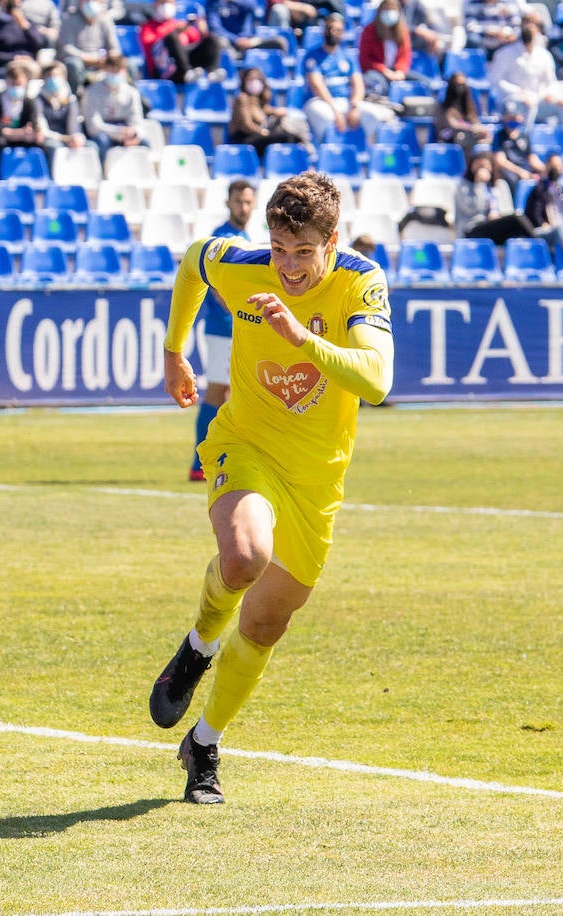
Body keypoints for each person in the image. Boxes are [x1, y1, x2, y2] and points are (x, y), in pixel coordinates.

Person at [152, 170, 394, 804]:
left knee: (264, 624)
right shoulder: (239, 263)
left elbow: (376, 381)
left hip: (318, 479)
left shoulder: (361, 281)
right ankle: (198, 643)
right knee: (245, 555)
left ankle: (203, 742)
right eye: (280, 249)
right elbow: (192, 262)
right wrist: (176, 350)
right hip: (246, 445)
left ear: (332, 241)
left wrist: (303, 338)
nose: (287, 266)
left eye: (304, 252)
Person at [187, 178, 254, 482]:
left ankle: (217, 457)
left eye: (248, 202)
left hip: (235, 328)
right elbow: (218, 288)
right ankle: (199, 462)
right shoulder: (222, 238)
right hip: (222, 328)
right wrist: (241, 312)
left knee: (228, 393)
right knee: (217, 392)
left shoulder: (245, 235)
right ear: (228, 203)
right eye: (239, 201)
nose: (244, 207)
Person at [301, 13, 393, 145]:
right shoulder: (313, 56)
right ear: (324, 30)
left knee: (374, 116)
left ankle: (369, 154)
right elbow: (317, 86)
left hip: (346, 101)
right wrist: (335, 111)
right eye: (330, 29)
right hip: (321, 102)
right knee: (326, 117)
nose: (333, 33)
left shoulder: (347, 56)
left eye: (338, 30)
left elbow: (358, 84)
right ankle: (327, 155)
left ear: (343, 33)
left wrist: (354, 106)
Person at [488, 17, 563, 127]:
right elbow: (496, 80)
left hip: (537, 100)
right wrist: (519, 92)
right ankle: (526, 140)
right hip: (512, 101)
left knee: (562, 107)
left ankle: (562, 142)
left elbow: (551, 82)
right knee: (528, 106)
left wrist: (549, 94)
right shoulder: (505, 53)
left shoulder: (544, 55)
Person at [0, 57, 45, 166]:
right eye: (13, 84)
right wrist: (19, 134)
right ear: (6, 82)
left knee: (40, 147)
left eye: (19, 85)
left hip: (21, 140)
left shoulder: (29, 103)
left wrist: (35, 133)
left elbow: (33, 124)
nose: (16, 88)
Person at [228, 66, 310, 157]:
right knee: (288, 138)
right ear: (244, 82)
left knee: (292, 135)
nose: (254, 82)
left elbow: (268, 110)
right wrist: (262, 132)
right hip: (245, 141)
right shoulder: (242, 98)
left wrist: (278, 112)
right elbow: (246, 125)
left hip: (257, 137)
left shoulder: (258, 101)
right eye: (250, 79)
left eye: (257, 79)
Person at [83, 51, 149, 160]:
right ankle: (103, 173)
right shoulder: (92, 92)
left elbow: (137, 120)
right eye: (111, 70)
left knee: (144, 143)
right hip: (105, 132)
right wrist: (119, 132)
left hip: (126, 132)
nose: (114, 74)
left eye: (117, 71)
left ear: (124, 71)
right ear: (104, 70)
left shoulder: (132, 92)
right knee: (102, 141)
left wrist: (133, 134)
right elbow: (93, 127)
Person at [140, 0, 224, 85]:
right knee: (172, 37)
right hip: (166, 69)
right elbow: (150, 46)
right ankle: (186, 72)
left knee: (211, 39)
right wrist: (174, 31)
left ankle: (212, 72)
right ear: (155, 5)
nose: (166, 6)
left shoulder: (180, 24)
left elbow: (196, 42)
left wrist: (202, 31)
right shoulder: (148, 27)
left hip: (190, 64)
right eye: (163, 2)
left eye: (169, 3)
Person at [359, 0, 422, 100]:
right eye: (387, 9)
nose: (390, 12)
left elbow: (405, 55)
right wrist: (384, 70)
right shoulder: (369, 31)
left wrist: (400, 71)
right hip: (377, 71)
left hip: (396, 71)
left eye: (393, 10)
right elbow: (364, 59)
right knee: (379, 86)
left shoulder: (402, 31)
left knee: (424, 83)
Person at [56, 0, 121, 92]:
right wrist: (90, 58)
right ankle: (74, 99)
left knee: (126, 65)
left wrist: (107, 59)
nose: (90, 2)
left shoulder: (105, 19)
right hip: (79, 62)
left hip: (101, 63)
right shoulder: (68, 18)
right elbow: (67, 48)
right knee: (74, 65)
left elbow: (114, 48)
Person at [433, 70, 493, 159]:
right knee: (461, 137)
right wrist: (472, 128)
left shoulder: (468, 106)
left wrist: (483, 131)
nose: (459, 88)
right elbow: (453, 125)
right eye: (456, 84)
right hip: (449, 138)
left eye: (462, 85)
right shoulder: (443, 106)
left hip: (468, 136)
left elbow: (475, 121)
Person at [491, 99, 543, 197]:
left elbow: (532, 159)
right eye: (510, 117)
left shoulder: (524, 135)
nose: (513, 120)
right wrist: (520, 172)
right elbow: (500, 161)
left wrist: (545, 169)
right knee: (513, 179)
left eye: (515, 117)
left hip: (524, 168)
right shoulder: (499, 136)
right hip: (509, 171)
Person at [0, 0, 50, 74]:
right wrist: (13, 57)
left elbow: (39, 44)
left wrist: (25, 26)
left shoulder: (29, 23)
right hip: (7, 65)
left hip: (29, 63)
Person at [39, 60, 88, 154]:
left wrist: (76, 138)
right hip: (51, 139)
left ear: (64, 78)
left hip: (69, 139)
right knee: (54, 146)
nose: (53, 79)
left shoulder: (70, 98)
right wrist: (63, 138)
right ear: (44, 78)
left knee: (90, 146)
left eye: (57, 75)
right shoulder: (38, 99)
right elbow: (43, 130)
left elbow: (74, 126)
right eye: (50, 76)